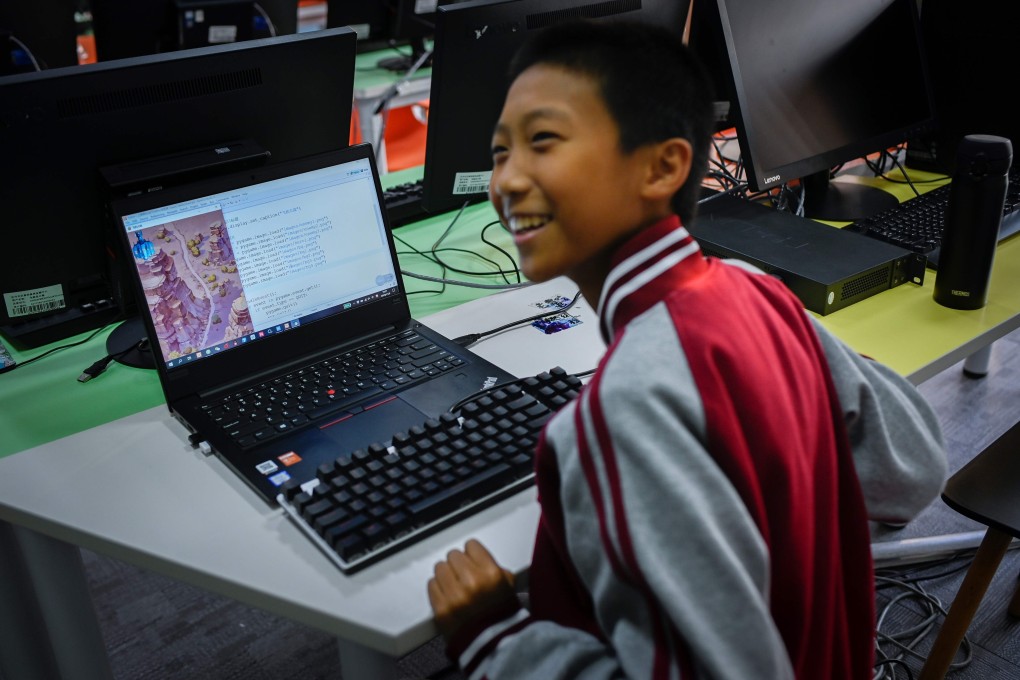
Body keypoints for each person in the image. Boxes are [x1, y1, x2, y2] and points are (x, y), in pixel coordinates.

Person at [426, 19, 947, 679]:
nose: (508, 180)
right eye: (500, 153)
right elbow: (915, 468)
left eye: (544, 141)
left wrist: (496, 640)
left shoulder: (623, 410)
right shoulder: (756, 293)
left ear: (663, 166)